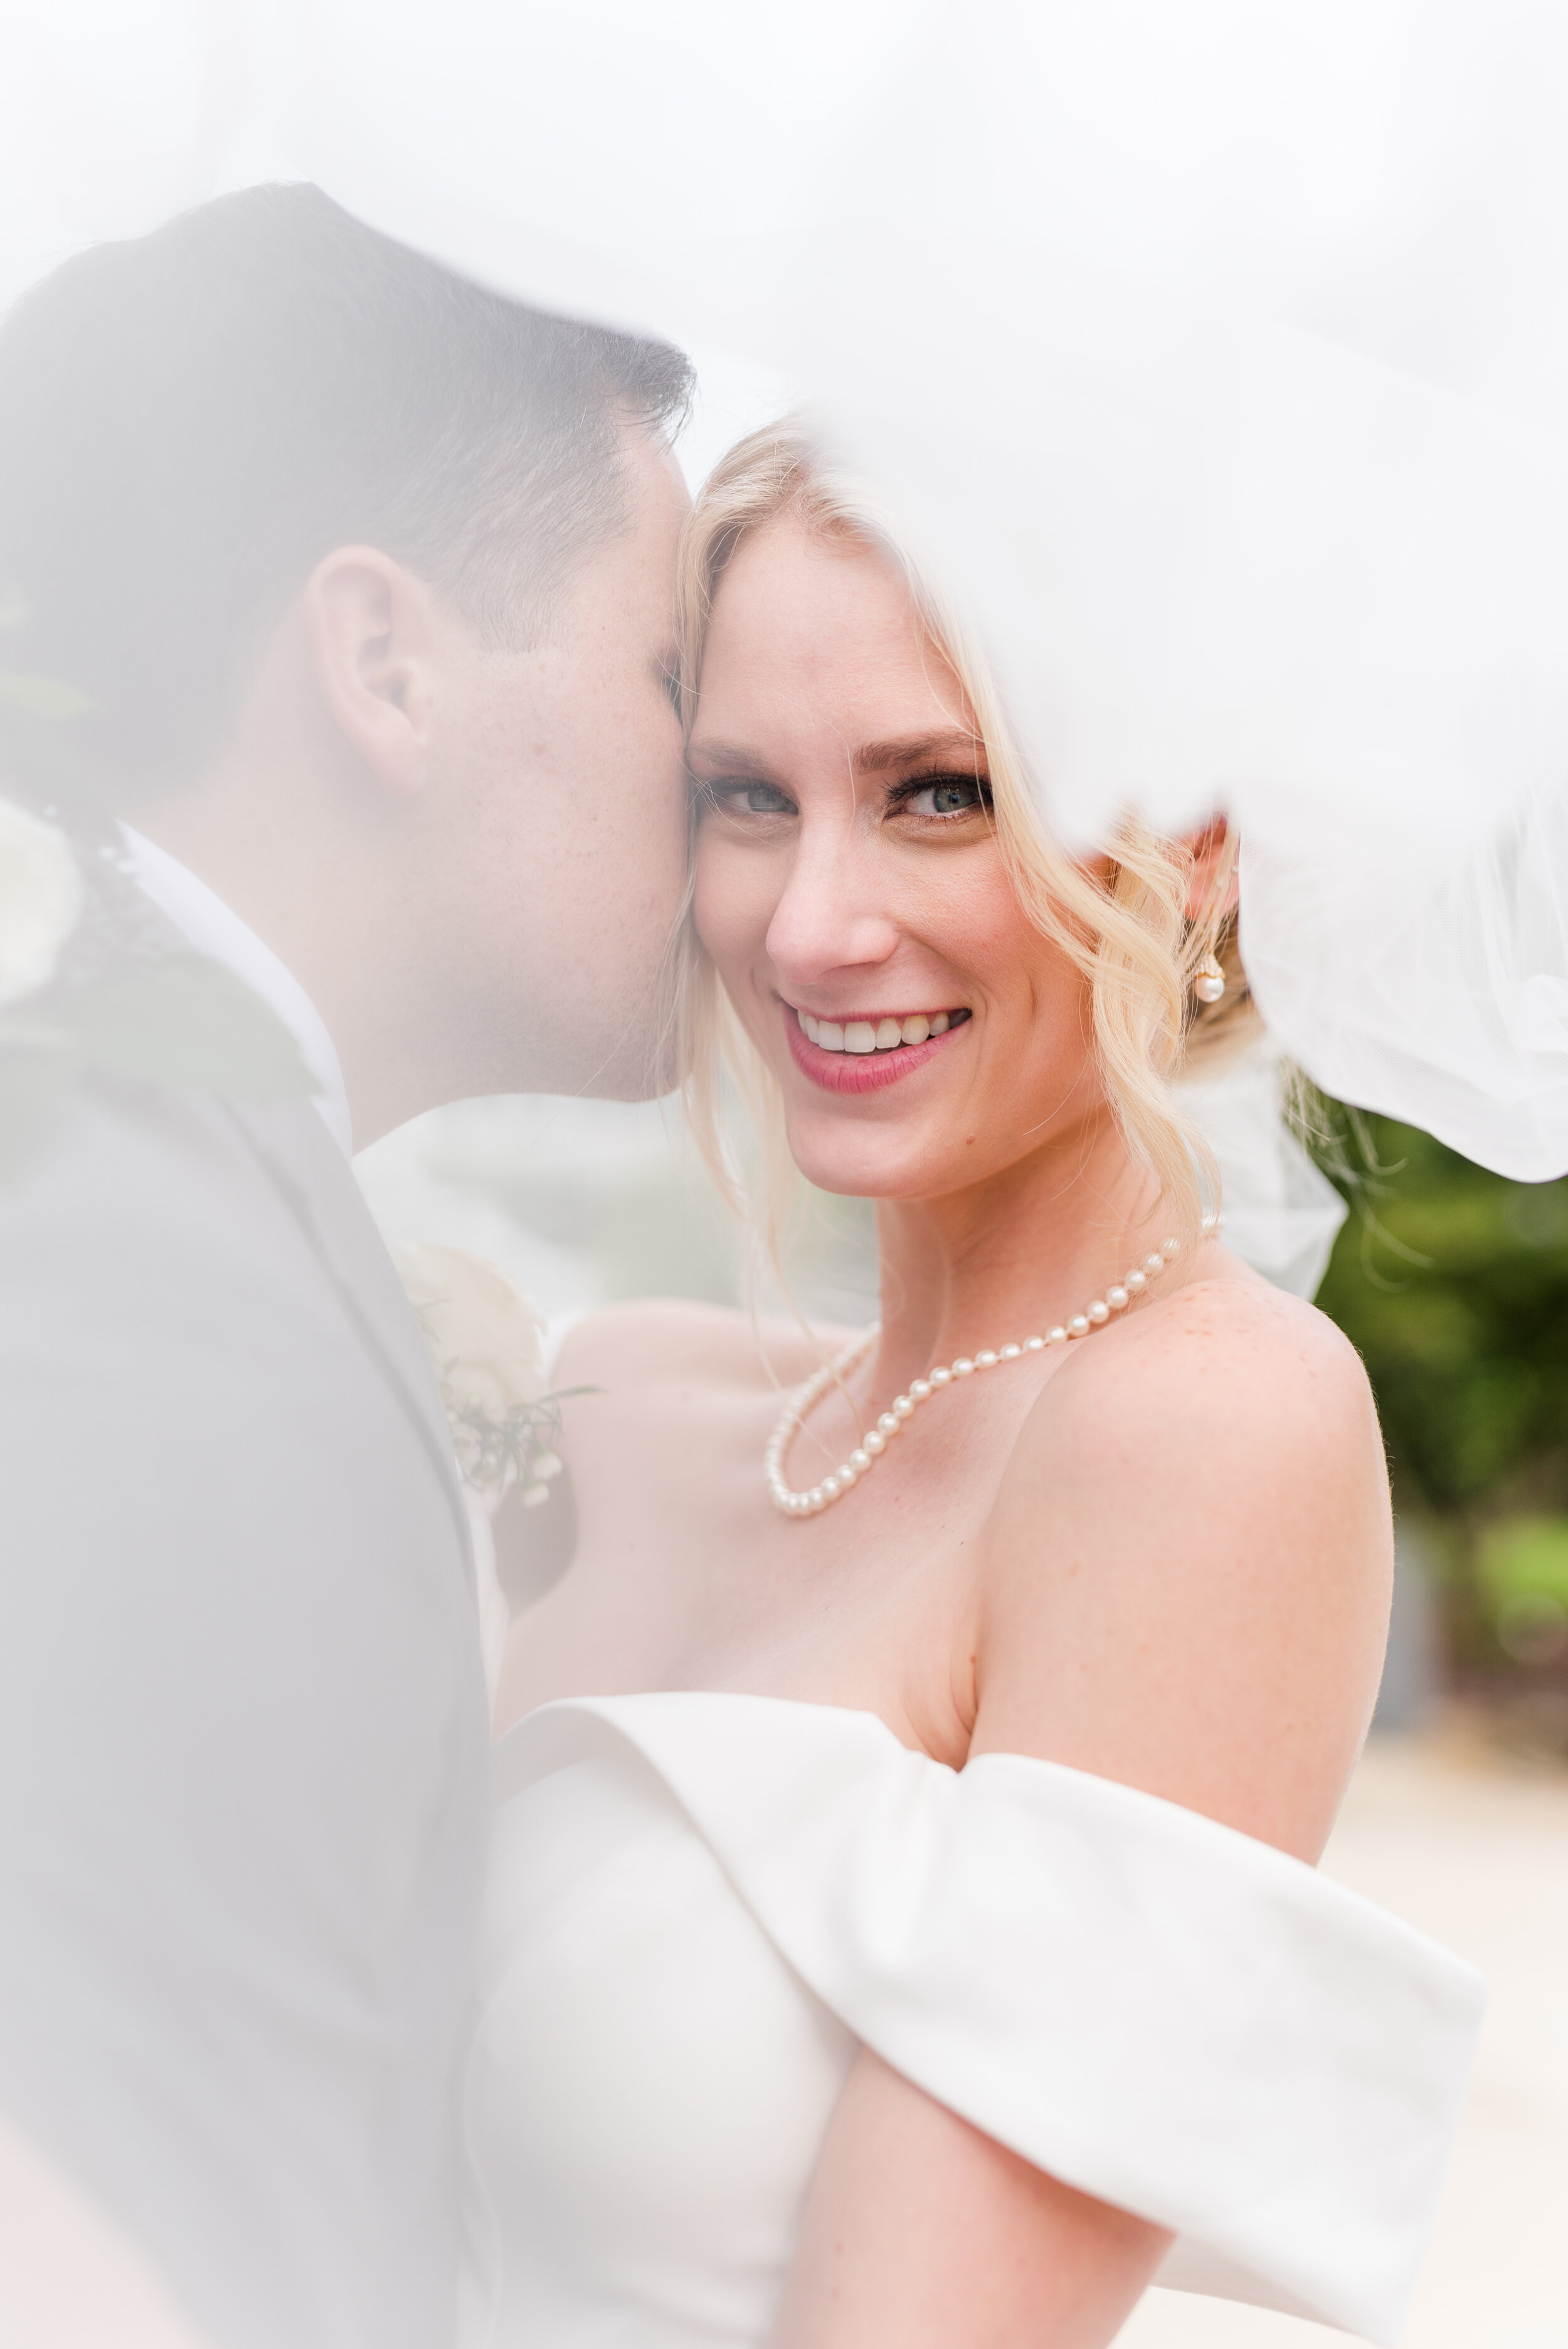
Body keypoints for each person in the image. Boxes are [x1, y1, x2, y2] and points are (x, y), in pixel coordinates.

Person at [469, 426, 1485, 2349]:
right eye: (744, 797)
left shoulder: (1204, 1433)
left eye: (937, 793)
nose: (809, 922)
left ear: (1189, 845)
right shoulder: (621, 1409)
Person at [0, 183, 692, 2349]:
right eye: (670, 673)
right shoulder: (165, 1285)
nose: (726, 787)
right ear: (384, 661)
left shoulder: (151, 1170)